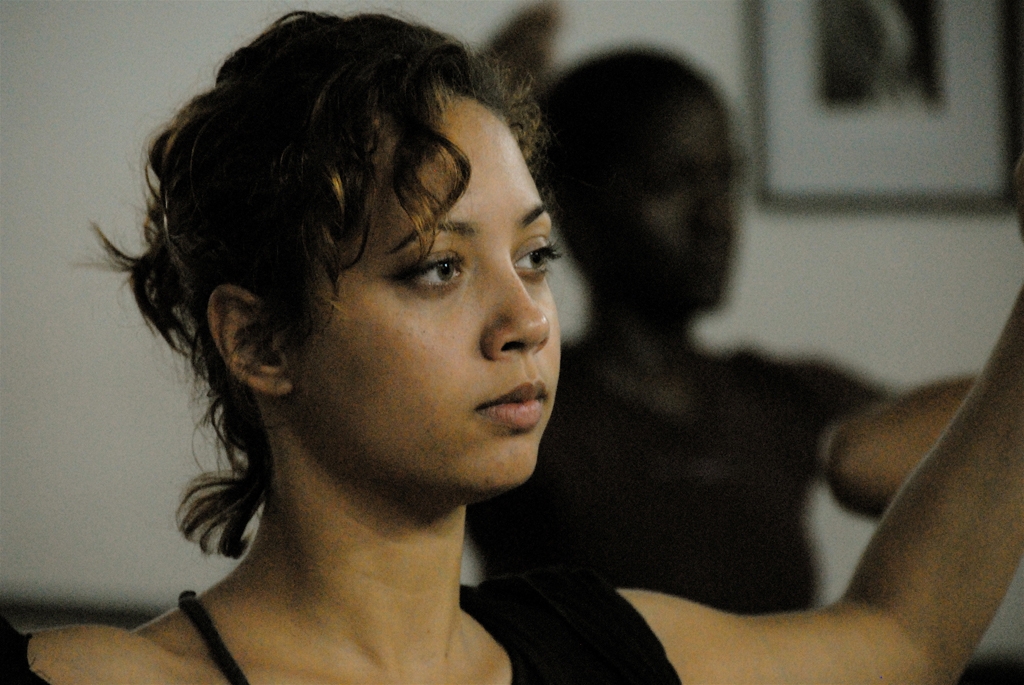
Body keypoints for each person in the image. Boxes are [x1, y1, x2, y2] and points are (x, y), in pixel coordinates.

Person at [6, 10, 1024, 684]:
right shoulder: (97, 677)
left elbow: (903, 636)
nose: (527, 319)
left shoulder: (603, 647)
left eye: (534, 256)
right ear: (260, 339)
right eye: (438, 268)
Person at [467, 47, 933, 613]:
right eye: (671, 182)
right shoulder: (522, 402)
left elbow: (975, 447)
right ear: (576, 210)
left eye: (725, 178)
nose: (716, 217)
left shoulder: (775, 395)